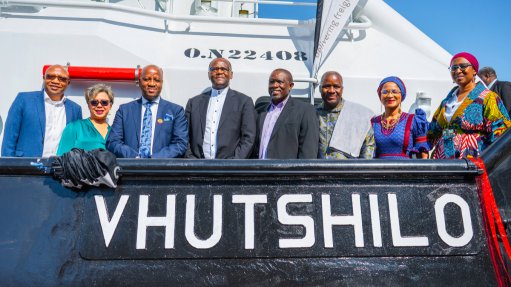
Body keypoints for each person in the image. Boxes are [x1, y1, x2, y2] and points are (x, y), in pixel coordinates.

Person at [428, 52, 511, 159]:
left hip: (473, 158)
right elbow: (432, 131)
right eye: (454, 68)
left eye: (463, 66)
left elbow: (501, 132)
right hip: (443, 157)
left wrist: (490, 159)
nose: (458, 70)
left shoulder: (488, 97)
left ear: (474, 71)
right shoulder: (447, 101)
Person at [106, 65, 188, 158]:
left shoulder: (176, 111)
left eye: (157, 80)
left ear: (162, 83)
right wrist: (134, 157)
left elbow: (180, 144)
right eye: (146, 79)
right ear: (140, 81)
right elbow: (113, 142)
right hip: (130, 169)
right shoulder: (124, 110)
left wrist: (153, 160)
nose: (152, 83)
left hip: (163, 169)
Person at [1, 65, 82, 157]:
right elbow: (9, 139)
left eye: (62, 79)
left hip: (61, 168)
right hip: (27, 167)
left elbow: (76, 143)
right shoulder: (24, 100)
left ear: (68, 82)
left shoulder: (75, 109)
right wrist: (10, 167)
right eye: (50, 77)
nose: (55, 81)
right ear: (44, 78)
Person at [185, 58, 256, 159]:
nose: (219, 72)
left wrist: (234, 163)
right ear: (209, 74)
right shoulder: (194, 102)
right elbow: (184, 136)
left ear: (231, 74)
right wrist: (191, 160)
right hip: (198, 167)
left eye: (224, 69)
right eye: (215, 69)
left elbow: (248, 138)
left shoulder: (244, 101)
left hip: (229, 169)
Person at [253, 68, 319, 159]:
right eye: (271, 82)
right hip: (259, 171)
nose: (275, 85)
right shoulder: (260, 111)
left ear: (290, 86)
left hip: (286, 172)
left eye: (280, 82)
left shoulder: (305, 110)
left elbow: (308, 151)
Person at [316, 71, 375, 159]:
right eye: (326, 86)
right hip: (317, 171)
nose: (331, 90)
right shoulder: (313, 113)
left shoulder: (359, 115)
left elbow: (368, 148)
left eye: (336, 86)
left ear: (342, 89)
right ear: (320, 89)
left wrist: (362, 172)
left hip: (348, 171)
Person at [371, 76, 429, 159]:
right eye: (385, 92)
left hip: (404, 170)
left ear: (401, 95)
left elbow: (423, 155)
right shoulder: (373, 123)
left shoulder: (413, 121)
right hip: (378, 170)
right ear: (380, 95)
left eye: (394, 91)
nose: (390, 95)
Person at [57, 84, 114, 155]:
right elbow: (62, 158)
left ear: (110, 106)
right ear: (88, 105)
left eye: (104, 102)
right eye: (94, 102)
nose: (99, 105)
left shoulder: (114, 132)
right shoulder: (74, 127)